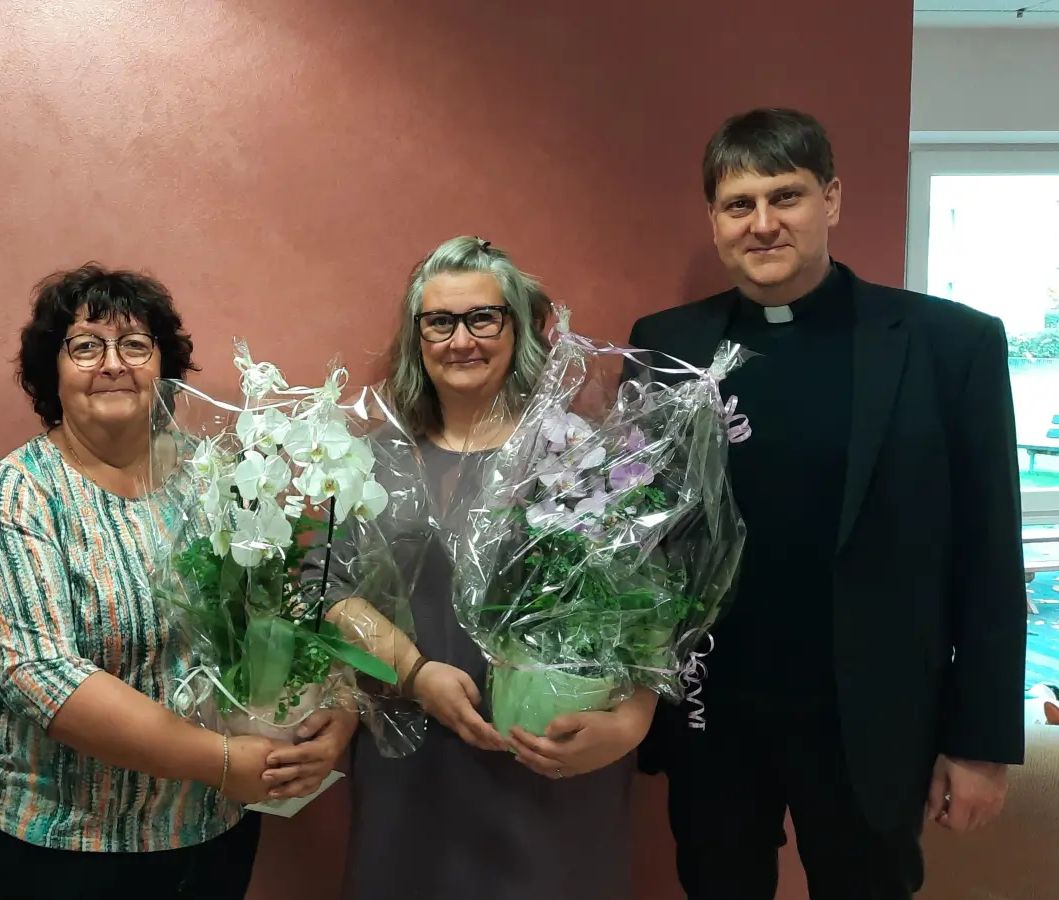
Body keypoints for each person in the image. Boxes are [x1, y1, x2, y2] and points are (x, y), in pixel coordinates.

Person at [629, 108, 1026, 899]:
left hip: (871, 720)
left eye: (788, 196)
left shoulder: (949, 345)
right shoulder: (667, 343)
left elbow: (990, 553)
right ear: (713, 219)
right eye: (739, 204)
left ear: (833, 199)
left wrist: (981, 742)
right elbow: (635, 533)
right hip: (715, 716)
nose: (764, 224)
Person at [0, 263, 356, 899]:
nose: (112, 364)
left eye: (136, 344)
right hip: (66, 843)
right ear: (49, 372)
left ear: (162, 366)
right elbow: (39, 675)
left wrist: (337, 704)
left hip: (210, 828)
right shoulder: (19, 493)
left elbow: (283, 611)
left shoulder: (214, 478)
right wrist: (222, 762)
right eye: (85, 346)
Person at [336, 236, 654, 900]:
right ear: (416, 337)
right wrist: (415, 674)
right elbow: (333, 602)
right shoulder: (373, 459)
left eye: (483, 317)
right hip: (411, 764)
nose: (462, 340)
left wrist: (628, 725)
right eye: (440, 322)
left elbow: (646, 618)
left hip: (547, 766)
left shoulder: (577, 457)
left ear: (516, 327)